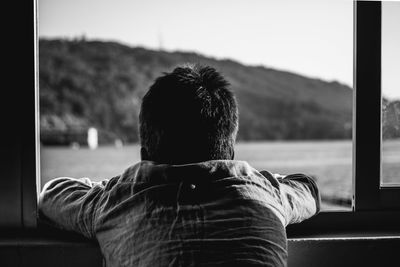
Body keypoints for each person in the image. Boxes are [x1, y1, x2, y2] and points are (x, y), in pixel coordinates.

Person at [39, 64, 320, 267]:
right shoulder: (265, 193)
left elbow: (52, 193)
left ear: (144, 155)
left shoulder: (116, 200)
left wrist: (114, 187)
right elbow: (307, 188)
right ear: (230, 151)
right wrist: (260, 181)